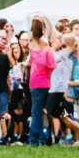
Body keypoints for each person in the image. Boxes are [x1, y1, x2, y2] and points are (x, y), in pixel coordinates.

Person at [27, 16, 56, 146]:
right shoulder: (47, 50)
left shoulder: (33, 50)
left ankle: (34, 136)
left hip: (36, 83)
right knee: (44, 111)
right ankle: (45, 136)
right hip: (45, 82)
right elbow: (51, 66)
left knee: (36, 111)